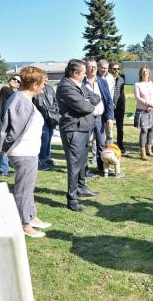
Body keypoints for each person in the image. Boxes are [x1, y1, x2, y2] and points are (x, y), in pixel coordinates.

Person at [0, 66, 51, 238]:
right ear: (34, 84)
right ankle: (23, 223)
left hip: (29, 151)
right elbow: (13, 131)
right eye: (43, 84)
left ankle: (31, 216)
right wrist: (5, 146)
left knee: (28, 187)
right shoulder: (20, 100)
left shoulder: (24, 99)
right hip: (22, 152)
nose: (44, 87)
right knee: (23, 189)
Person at [56, 59, 102, 212]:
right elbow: (84, 106)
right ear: (74, 73)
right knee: (74, 164)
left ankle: (81, 187)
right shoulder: (66, 87)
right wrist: (87, 102)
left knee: (82, 162)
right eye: (83, 73)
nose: (85, 75)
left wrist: (87, 100)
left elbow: (96, 97)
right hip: (73, 130)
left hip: (83, 128)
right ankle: (72, 198)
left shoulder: (78, 85)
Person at [84, 59, 115, 177]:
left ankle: (102, 168)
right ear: (86, 68)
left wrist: (110, 117)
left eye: (94, 67)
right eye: (90, 67)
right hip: (86, 118)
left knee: (102, 144)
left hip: (100, 118)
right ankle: (84, 170)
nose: (92, 69)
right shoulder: (82, 82)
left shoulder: (102, 82)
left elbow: (108, 101)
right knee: (85, 144)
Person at [133, 65, 153, 160]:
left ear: (149, 73)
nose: (145, 73)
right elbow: (138, 97)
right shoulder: (137, 84)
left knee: (151, 129)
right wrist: (148, 103)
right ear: (141, 73)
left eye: (146, 71)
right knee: (144, 130)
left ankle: (149, 150)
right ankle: (143, 152)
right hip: (143, 110)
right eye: (143, 71)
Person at [0, 74, 21, 177]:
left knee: (10, 146)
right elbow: (16, 97)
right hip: (5, 123)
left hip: (12, 122)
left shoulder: (15, 92)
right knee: (5, 146)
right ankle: (3, 170)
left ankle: (7, 168)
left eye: (19, 81)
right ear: (9, 80)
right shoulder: (5, 89)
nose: (16, 81)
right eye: (14, 79)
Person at [33, 83, 60, 171]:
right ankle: (41, 160)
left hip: (51, 117)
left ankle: (46, 157)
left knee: (49, 138)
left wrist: (55, 111)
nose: (46, 80)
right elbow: (36, 104)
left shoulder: (49, 88)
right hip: (41, 118)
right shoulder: (35, 89)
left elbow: (56, 101)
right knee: (44, 138)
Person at [97, 59, 115, 146]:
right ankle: (95, 157)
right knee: (98, 134)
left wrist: (110, 114)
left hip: (108, 106)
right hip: (98, 107)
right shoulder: (94, 77)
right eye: (103, 68)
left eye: (107, 68)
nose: (105, 70)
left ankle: (109, 152)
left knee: (110, 134)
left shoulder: (110, 78)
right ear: (98, 67)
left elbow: (111, 94)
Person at [110, 61, 126, 153]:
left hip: (120, 107)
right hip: (110, 107)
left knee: (120, 129)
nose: (116, 70)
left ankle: (120, 145)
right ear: (110, 69)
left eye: (118, 69)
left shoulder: (122, 79)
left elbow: (122, 93)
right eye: (114, 69)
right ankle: (110, 146)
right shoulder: (107, 79)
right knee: (109, 129)